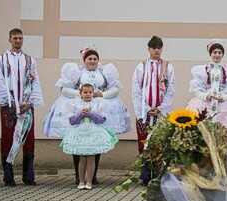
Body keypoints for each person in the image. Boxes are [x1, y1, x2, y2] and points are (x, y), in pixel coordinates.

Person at [43, 44, 131, 185]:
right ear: (84, 60)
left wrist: (101, 94)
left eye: (95, 58)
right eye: (89, 58)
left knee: (95, 143)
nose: (92, 61)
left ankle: (92, 176)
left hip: (98, 109)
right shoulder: (76, 72)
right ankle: (79, 177)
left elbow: (115, 89)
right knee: (77, 143)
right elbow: (64, 89)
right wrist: (81, 95)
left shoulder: (104, 73)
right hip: (79, 109)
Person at [0, 28, 44, 187]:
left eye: (20, 38)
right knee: (8, 137)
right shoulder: (1, 59)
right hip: (9, 104)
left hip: (26, 104)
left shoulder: (30, 60)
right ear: (10, 40)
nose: (18, 41)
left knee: (28, 138)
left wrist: (30, 102)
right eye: (15, 38)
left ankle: (28, 176)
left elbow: (35, 81)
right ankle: (8, 176)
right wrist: (9, 101)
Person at [132, 35, 175, 185]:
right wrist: (145, 109)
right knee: (145, 142)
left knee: (159, 142)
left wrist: (161, 108)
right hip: (145, 112)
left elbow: (170, 90)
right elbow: (136, 89)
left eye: (159, 48)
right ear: (148, 49)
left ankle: (158, 174)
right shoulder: (141, 66)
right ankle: (146, 175)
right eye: (153, 48)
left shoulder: (168, 67)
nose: (156, 50)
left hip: (160, 112)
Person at [60, 83, 118, 190]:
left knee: (91, 158)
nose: (88, 94)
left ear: (93, 93)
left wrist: (90, 114)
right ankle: (81, 181)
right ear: (80, 94)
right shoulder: (75, 104)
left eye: (90, 92)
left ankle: (90, 181)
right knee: (82, 158)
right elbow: (72, 121)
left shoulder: (98, 104)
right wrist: (81, 114)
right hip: (80, 133)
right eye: (85, 92)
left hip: (93, 133)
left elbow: (101, 120)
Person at [186, 39, 227, 132]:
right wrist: (206, 96)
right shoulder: (202, 70)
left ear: (222, 55)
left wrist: (224, 97)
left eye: (219, 52)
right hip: (205, 103)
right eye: (214, 52)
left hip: (224, 104)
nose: (217, 55)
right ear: (210, 54)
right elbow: (196, 89)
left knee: (224, 131)